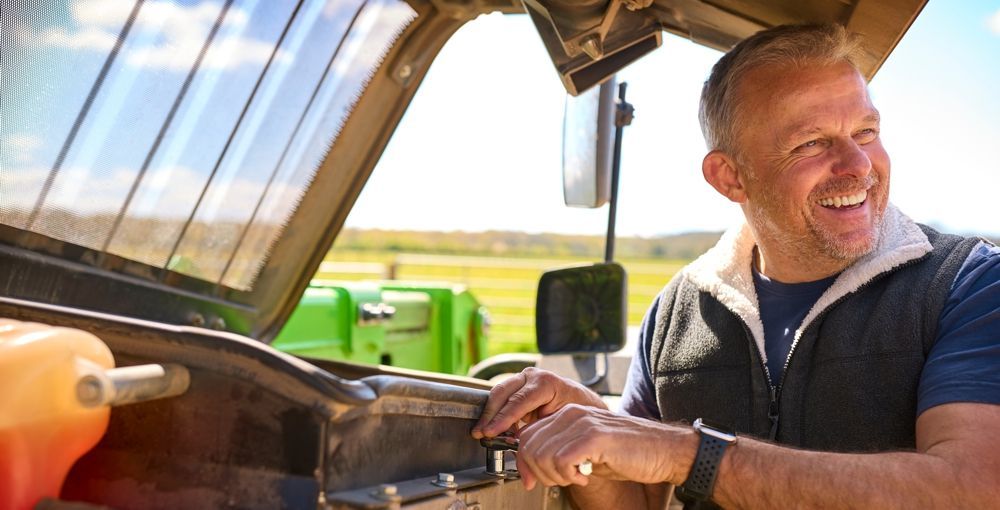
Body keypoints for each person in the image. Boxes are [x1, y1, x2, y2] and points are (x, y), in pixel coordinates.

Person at [471, 24, 1000, 509]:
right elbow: (639, 500)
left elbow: (975, 490)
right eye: (812, 143)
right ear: (730, 178)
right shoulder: (677, 312)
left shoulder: (969, 285)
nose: (859, 166)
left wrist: (690, 454)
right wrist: (585, 431)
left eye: (865, 132)